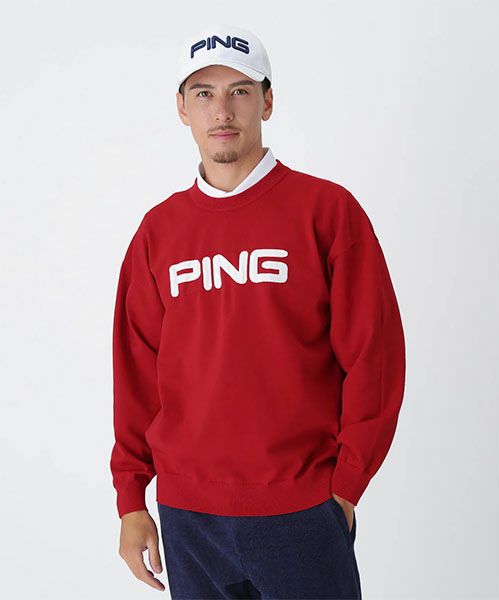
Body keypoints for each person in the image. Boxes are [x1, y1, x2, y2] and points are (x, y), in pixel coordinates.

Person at [110, 23, 406, 599]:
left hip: (302, 508)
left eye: (240, 91)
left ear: (267, 102)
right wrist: (131, 499)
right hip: (188, 516)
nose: (222, 110)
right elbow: (136, 373)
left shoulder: (327, 211)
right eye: (204, 93)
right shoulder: (158, 232)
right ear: (182, 108)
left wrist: (346, 484)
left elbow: (375, 356)